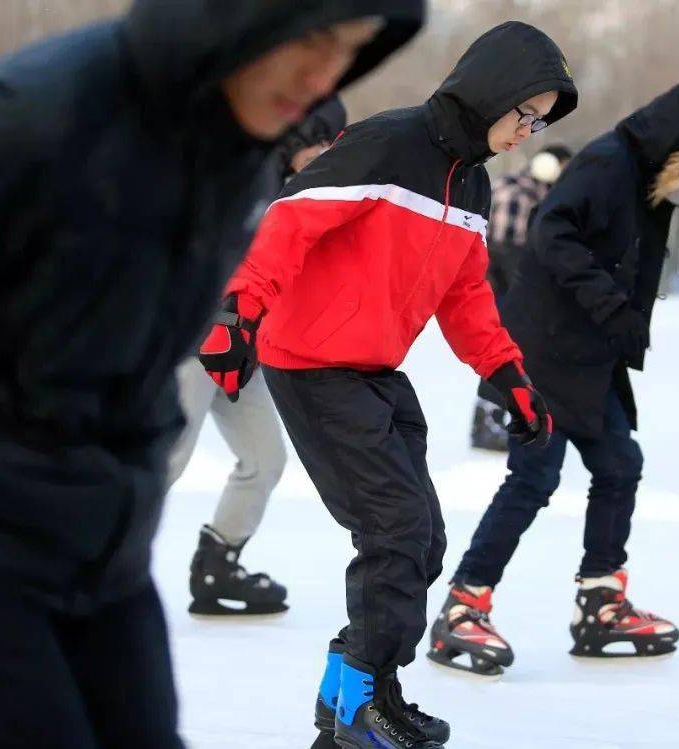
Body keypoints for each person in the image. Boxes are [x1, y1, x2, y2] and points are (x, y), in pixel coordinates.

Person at [0, 2, 424, 747]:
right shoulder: (26, 119)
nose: (324, 74)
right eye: (310, 40)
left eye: (349, 50)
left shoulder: (234, 148)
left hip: (95, 534)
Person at [200, 21, 577, 749]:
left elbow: (466, 295)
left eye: (541, 121)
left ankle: (360, 692)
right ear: (492, 91)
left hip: (373, 369)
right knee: (394, 532)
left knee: (422, 538)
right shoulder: (389, 143)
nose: (528, 131)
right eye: (524, 112)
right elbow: (290, 219)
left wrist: (506, 373)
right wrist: (239, 309)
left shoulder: (470, 181)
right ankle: (357, 709)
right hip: (311, 363)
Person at [432, 82, 679, 675]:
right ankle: (462, 605)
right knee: (533, 478)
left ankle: (600, 601)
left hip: (584, 356)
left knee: (618, 464)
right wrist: (610, 306)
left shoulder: (637, 171)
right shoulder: (608, 163)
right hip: (549, 352)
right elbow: (552, 230)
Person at [171, 98, 348, 618]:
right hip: (196, 334)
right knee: (166, 460)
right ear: (296, 136)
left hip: (239, 344)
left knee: (265, 458)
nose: (326, 153)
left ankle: (218, 565)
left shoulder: (298, 191)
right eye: (321, 140)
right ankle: (85, 565)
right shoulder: (241, 179)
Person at [472, 144, 573, 451]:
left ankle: (495, 420)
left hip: (493, 284)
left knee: (503, 353)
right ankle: (489, 422)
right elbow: (509, 250)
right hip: (510, 286)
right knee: (504, 352)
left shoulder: (509, 184)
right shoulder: (527, 195)